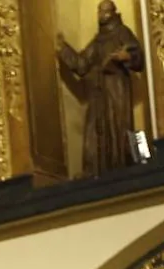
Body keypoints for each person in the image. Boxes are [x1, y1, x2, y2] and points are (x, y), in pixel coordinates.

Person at [56, 0, 144, 177]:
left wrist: (126, 56)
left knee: (120, 126)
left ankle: (127, 166)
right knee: (94, 128)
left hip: (117, 88)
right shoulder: (98, 40)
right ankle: (94, 170)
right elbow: (81, 64)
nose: (101, 15)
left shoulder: (122, 32)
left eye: (105, 11)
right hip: (99, 91)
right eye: (99, 11)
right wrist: (63, 48)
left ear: (113, 13)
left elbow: (138, 58)